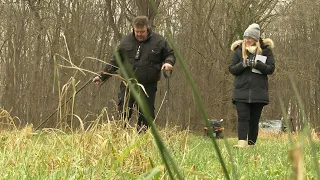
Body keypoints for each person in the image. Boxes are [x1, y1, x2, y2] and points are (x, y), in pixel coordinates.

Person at [93, 15, 175, 132]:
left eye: (142, 32)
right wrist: (102, 76)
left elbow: (170, 54)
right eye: (137, 31)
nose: (139, 34)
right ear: (133, 28)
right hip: (127, 84)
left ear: (148, 28)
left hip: (148, 86)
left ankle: (141, 142)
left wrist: (168, 63)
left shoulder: (159, 41)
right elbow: (115, 61)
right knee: (123, 113)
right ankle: (121, 139)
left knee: (146, 116)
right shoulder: (126, 41)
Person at [229, 23, 275, 148]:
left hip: (259, 92)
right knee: (243, 117)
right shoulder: (238, 50)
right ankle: (241, 142)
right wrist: (244, 64)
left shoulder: (266, 51)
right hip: (241, 91)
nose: (247, 40)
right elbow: (232, 69)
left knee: (254, 120)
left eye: (249, 38)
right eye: (245, 37)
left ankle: (251, 144)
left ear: (255, 39)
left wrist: (257, 64)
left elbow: (271, 69)